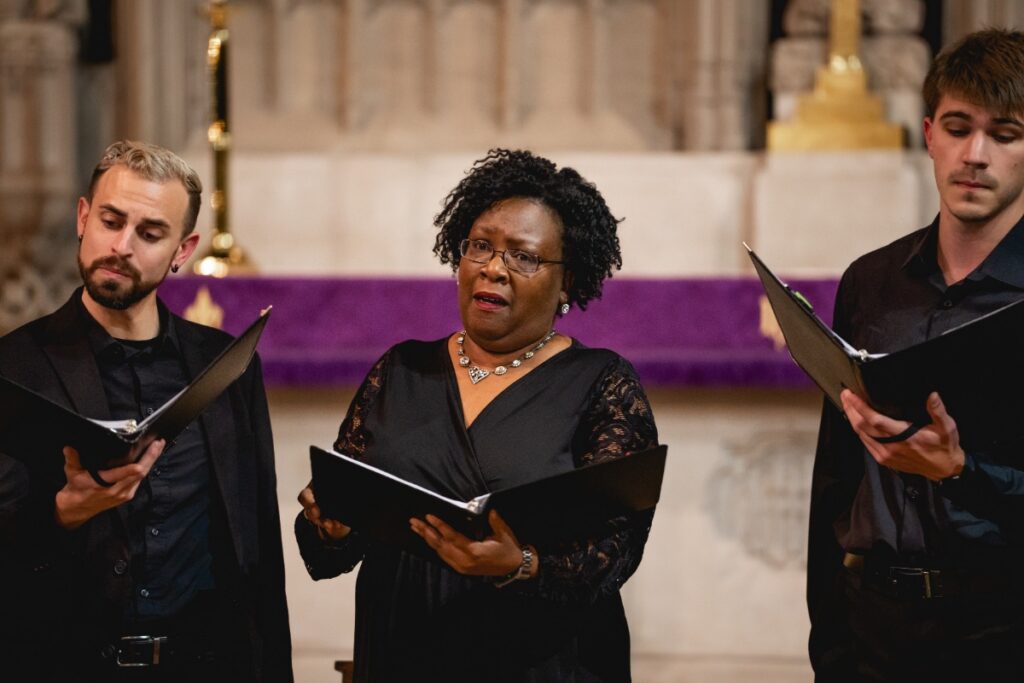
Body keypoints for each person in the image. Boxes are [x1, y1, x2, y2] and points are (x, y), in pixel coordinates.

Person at [296, 149, 658, 682]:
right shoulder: (401, 369)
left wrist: (519, 565)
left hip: (537, 660)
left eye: (524, 256)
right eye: (480, 246)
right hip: (403, 648)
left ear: (568, 282)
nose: (493, 267)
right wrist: (330, 525)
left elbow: (614, 554)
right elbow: (331, 553)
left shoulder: (602, 382)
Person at [0, 141, 293, 681]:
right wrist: (62, 513)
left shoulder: (226, 365)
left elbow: (257, 551)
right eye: (111, 220)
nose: (122, 246)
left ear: (183, 250)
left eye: (150, 233)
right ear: (84, 218)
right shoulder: (14, 367)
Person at [808, 29, 1024, 682]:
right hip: (872, 625)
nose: (975, 154)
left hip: (1001, 627)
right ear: (929, 133)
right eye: (957, 127)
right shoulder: (871, 283)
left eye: (1005, 133)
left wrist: (961, 472)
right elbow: (834, 479)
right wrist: (829, 644)